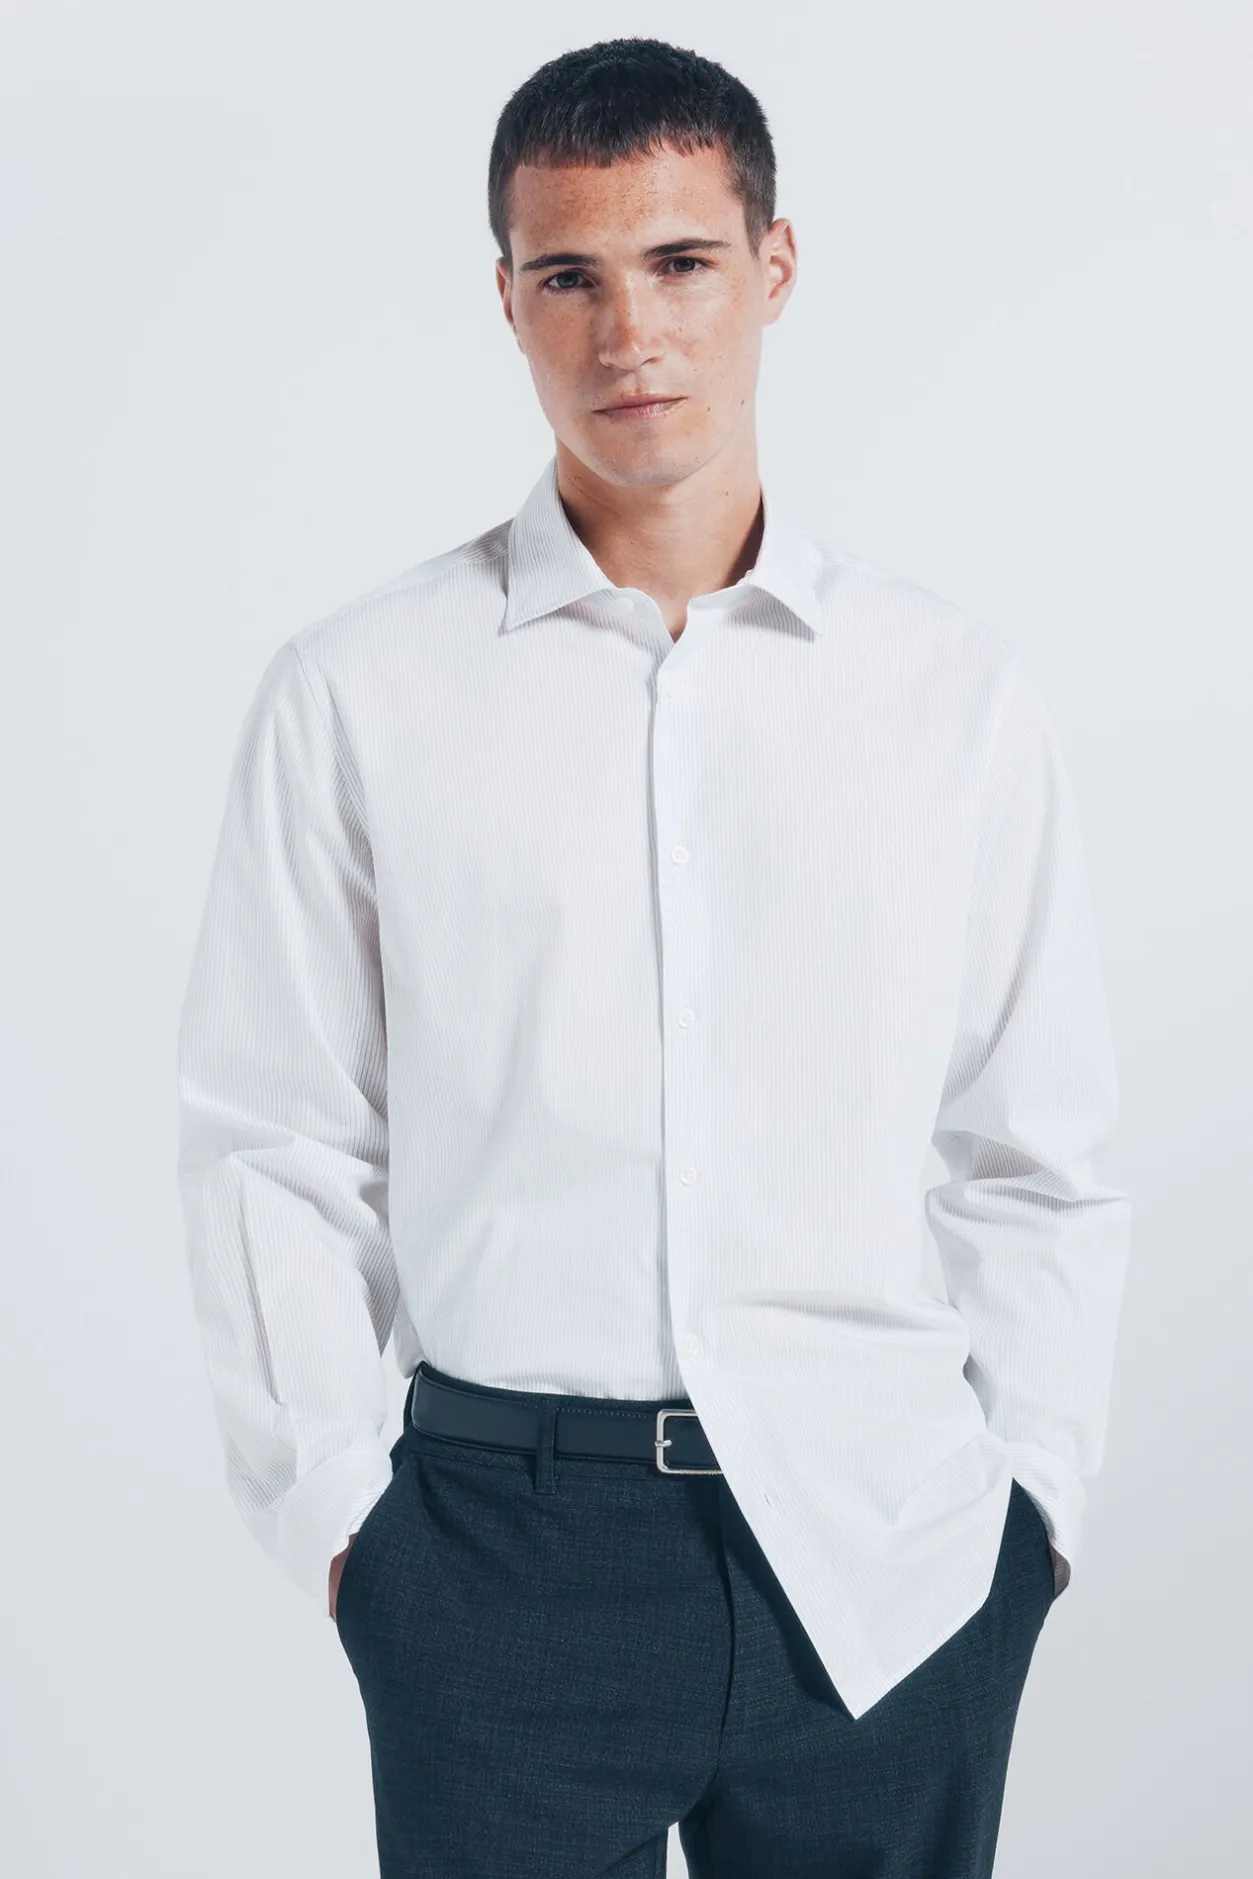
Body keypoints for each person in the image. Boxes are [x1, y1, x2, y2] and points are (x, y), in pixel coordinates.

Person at [175, 34, 1130, 1879]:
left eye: (682, 262)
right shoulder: (361, 691)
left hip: (891, 1549)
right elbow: (272, 1140)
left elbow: (1041, 1149)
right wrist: (352, 1534)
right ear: (507, 299)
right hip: (500, 1556)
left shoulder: (948, 697)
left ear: (775, 265)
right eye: (571, 277)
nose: (631, 334)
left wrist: (1031, 1518)